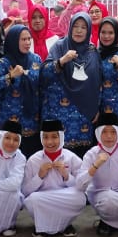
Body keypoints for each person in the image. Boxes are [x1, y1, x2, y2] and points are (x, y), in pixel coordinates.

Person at [43, 13, 102, 153]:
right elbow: (44, 74)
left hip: (84, 114)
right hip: (61, 112)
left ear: (88, 30)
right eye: (75, 26)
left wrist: (97, 107)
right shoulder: (59, 46)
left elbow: (98, 81)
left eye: (83, 27)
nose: (79, 30)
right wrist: (62, 61)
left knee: (83, 157)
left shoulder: (92, 51)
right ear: (70, 27)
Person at [22, 120, 86, 237]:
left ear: (61, 137)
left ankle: (65, 224)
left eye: (54, 137)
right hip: (42, 197)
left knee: (80, 197)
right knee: (32, 199)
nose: (50, 142)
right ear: (41, 138)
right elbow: (25, 191)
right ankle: (42, 225)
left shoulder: (71, 158)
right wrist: (39, 176)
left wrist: (66, 176)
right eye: (45, 137)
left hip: (64, 197)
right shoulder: (34, 160)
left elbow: (81, 185)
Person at [0, 25, 43, 156]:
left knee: (31, 157)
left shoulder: (36, 59)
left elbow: (42, 83)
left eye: (29, 39)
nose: (27, 42)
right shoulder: (5, 62)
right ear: (14, 41)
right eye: (23, 39)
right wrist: (11, 76)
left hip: (32, 119)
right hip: (11, 119)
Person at [96, 17, 118, 122]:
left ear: (116, 34)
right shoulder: (94, 54)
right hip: (99, 109)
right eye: (103, 32)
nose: (106, 36)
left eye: (110, 33)